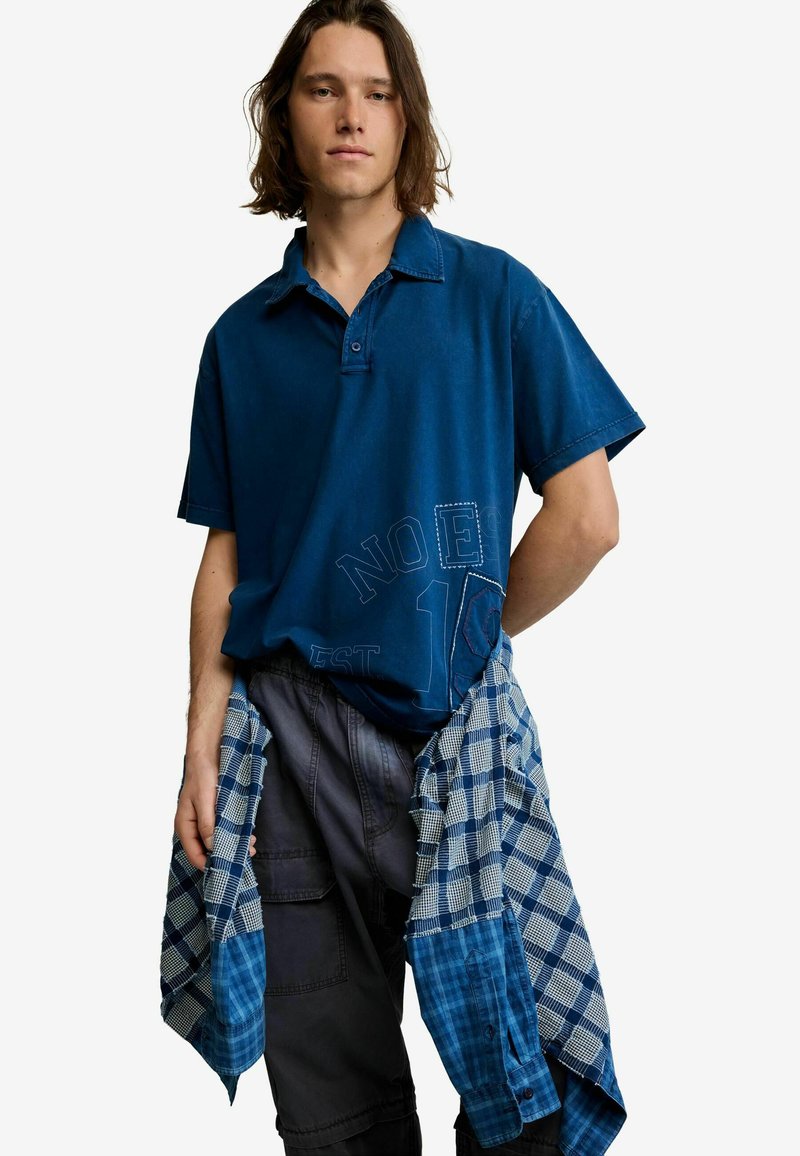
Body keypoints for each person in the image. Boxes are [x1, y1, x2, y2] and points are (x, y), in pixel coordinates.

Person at [172, 1, 645, 1153]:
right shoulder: (241, 339)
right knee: (339, 1118)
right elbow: (226, 553)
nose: (350, 114)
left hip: (458, 737)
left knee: (523, 1086)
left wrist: (467, 634)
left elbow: (586, 517)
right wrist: (199, 736)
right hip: (291, 752)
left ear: (405, 119)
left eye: (376, 92)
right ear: (285, 118)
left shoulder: (494, 297)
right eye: (322, 88)